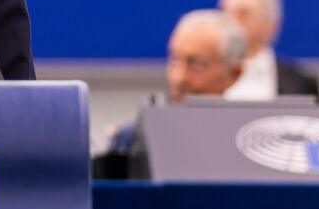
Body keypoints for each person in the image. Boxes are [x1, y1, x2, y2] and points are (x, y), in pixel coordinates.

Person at [95, 10, 248, 177]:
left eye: (197, 65)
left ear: (234, 74)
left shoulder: (251, 146)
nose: (179, 78)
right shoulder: (132, 142)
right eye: (174, 61)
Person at [218, 0, 319, 101]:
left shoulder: (302, 85)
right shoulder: (201, 79)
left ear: (271, 24)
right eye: (225, 12)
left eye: (243, 14)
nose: (231, 22)